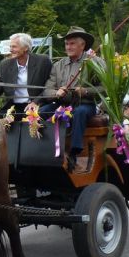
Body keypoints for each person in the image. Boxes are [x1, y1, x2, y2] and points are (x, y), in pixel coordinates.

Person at [42, 26, 105, 170]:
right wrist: (55, 93)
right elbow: (47, 90)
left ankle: (74, 152)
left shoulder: (95, 62)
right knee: (42, 111)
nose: (68, 47)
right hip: (62, 104)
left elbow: (105, 89)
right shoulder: (58, 65)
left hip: (85, 104)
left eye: (72, 43)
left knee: (80, 112)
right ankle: (45, 150)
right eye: (66, 44)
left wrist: (86, 91)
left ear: (82, 45)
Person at [0, 32, 52, 111]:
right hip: (12, 108)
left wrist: (36, 102)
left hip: (37, 106)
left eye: (14, 47)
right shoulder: (5, 65)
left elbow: (50, 86)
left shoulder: (42, 61)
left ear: (26, 48)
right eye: (10, 47)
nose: (10, 50)